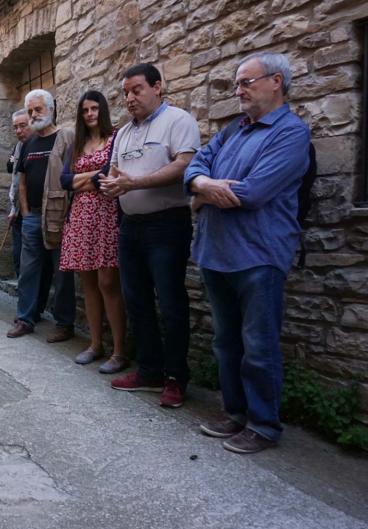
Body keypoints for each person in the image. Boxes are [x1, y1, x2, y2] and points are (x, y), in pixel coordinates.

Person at [186, 52, 311, 454]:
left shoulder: (291, 133)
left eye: (246, 82)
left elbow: (254, 192)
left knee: (259, 346)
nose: (238, 90)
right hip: (216, 252)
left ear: (276, 82)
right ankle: (235, 412)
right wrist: (202, 185)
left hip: (258, 256)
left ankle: (264, 425)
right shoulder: (232, 131)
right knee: (226, 342)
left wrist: (201, 194)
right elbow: (195, 167)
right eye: (237, 83)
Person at [100, 63, 200, 409]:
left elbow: (185, 164)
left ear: (158, 87)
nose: (129, 98)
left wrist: (133, 183)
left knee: (171, 304)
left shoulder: (178, 121)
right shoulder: (124, 133)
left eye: (137, 89)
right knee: (137, 300)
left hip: (166, 224)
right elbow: (115, 172)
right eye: (126, 92)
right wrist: (111, 185)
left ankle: (175, 377)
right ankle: (149, 370)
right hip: (130, 225)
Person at [59, 90, 127, 374]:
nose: (89, 114)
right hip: (80, 218)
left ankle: (120, 351)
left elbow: (108, 178)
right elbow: (64, 180)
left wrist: (84, 179)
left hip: (107, 215)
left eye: (94, 109)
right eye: (85, 110)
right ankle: (95, 344)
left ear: (103, 110)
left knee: (108, 282)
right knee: (87, 283)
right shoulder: (77, 145)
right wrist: (93, 176)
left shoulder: (116, 139)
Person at [7, 89, 76, 342]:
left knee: (62, 272)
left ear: (51, 109)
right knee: (28, 271)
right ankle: (25, 319)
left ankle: (64, 324)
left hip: (60, 217)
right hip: (33, 217)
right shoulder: (28, 144)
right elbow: (22, 181)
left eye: (38, 109)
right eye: (30, 110)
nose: (34, 114)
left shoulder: (66, 138)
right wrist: (25, 212)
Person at [7, 109, 30, 277]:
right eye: (15, 127)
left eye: (23, 126)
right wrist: (13, 209)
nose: (19, 131)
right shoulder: (18, 147)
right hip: (19, 212)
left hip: (35, 211)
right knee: (18, 256)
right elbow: (14, 179)